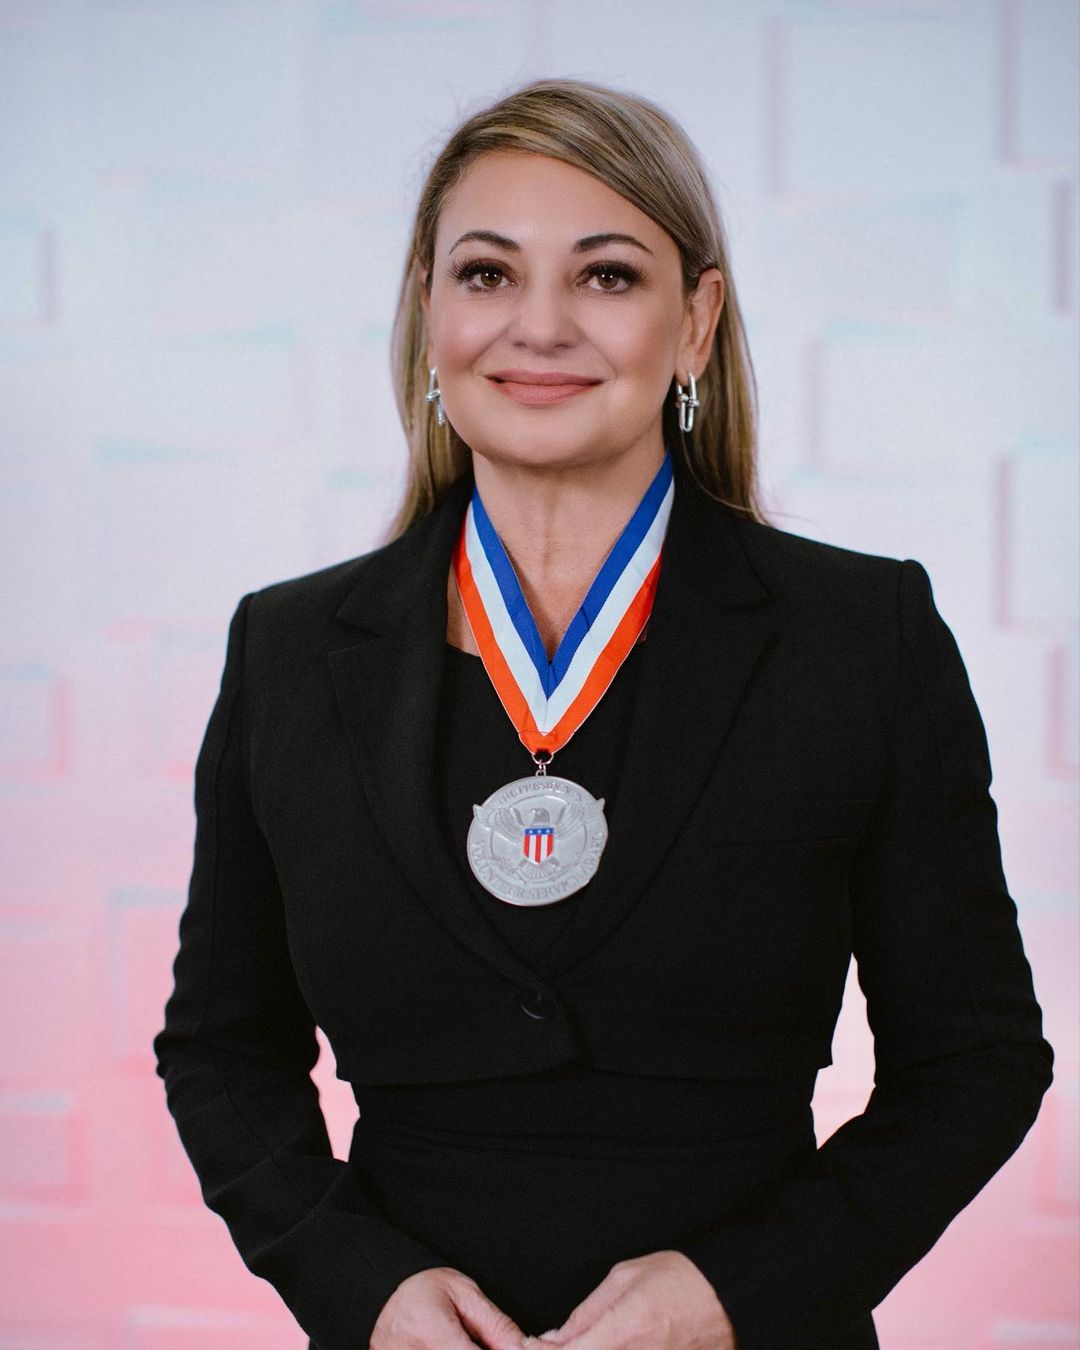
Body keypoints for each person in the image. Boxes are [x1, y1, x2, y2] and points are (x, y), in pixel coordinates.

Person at [152, 78, 1054, 1350]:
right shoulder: (290, 650)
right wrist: (357, 1285)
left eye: (607, 276)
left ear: (697, 323)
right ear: (427, 313)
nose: (540, 325)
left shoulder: (861, 637)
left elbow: (976, 1060)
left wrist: (743, 1291)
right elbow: (222, 1050)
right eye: (486, 275)